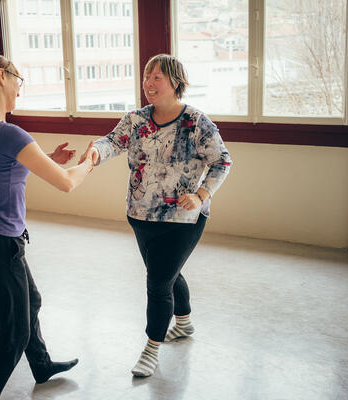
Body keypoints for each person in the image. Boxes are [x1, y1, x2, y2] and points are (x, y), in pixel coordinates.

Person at [80, 54, 232, 377]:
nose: (148, 83)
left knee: (158, 281)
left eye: (157, 77)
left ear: (175, 83)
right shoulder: (135, 120)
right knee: (166, 273)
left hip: (183, 218)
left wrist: (202, 195)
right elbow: (111, 142)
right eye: (146, 76)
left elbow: (222, 161)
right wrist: (95, 151)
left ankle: (151, 348)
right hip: (140, 215)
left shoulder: (195, 121)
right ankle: (185, 323)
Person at [0, 53, 95, 399]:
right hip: (0, 247)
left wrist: (48, 159)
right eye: (18, 78)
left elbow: (5, 167)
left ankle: (42, 365)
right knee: (12, 336)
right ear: (3, 77)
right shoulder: (9, 133)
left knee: (31, 300)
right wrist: (90, 162)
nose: (20, 87)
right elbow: (66, 183)